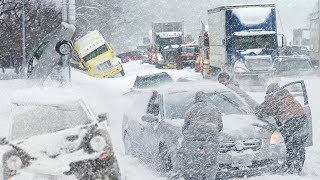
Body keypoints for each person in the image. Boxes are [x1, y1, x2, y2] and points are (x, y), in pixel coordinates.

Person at [255, 83, 307, 174]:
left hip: (291, 120)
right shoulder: (286, 95)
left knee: (290, 144)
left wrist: (257, 111)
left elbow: (264, 109)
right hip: (302, 119)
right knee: (299, 144)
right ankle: (297, 166)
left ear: (270, 92)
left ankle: (292, 169)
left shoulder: (273, 97)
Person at [172, 91, 222, 180]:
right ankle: (210, 177)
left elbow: (185, 126)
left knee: (192, 159)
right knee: (211, 161)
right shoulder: (214, 108)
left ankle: (190, 176)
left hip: (194, 141)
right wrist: (212, 133)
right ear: (205, 98)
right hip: (211, 141)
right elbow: (220, 125)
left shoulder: (191, 109)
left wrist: (188, 134)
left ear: (195, 99)